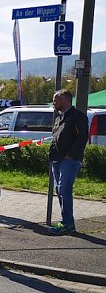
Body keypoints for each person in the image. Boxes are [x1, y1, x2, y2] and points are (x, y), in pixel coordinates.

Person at [48, 89, 89, 235]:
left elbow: (82, 137)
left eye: (55, 100)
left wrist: (71, 155)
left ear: (65, 100)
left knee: (64, 190)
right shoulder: (59, 117)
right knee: (60, 190)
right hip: (57, 159)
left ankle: (67, 223)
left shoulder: (78, 117)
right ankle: (67, 222)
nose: (53, 103)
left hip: (69, 160)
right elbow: (55, 137)